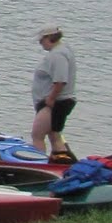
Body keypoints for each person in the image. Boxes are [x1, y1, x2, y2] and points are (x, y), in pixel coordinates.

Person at [30, 27, 78, 162]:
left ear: (50, 38)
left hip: (56, 102)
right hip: (55, 101)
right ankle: (63, 162)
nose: (40, 43)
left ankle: (37, 164)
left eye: (42, 40)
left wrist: (51, 99)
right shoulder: (62, 50)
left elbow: (60, 80)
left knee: (37, 135)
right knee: (54, 134)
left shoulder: (58, 55)